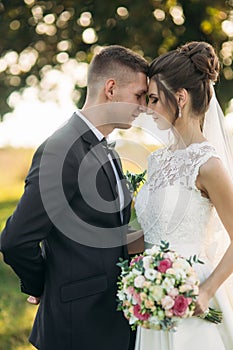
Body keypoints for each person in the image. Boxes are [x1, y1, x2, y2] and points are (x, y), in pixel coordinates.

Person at [0, 45, 148, 350]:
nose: (143, 106)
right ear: (110, 89)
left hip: (110, 321)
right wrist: (42, 284)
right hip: (76, 328)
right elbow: (15, 239)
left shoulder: (109, 150)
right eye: (138, 95)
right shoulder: (62, 149)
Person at [133, 41, 233, 349]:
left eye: (152, 99)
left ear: (180, 98)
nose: (146, 109)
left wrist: (205, 290)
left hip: (191, 297)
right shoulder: (156, 160)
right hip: (150, 296)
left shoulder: (208, 164)